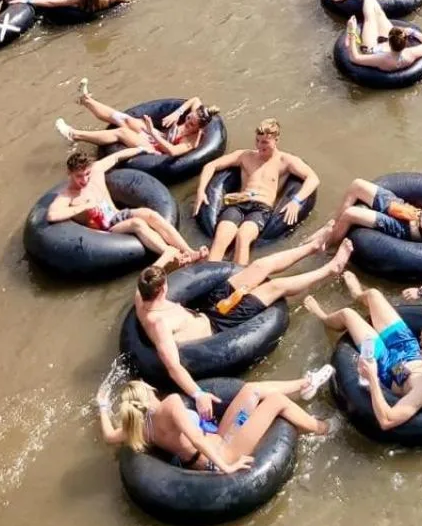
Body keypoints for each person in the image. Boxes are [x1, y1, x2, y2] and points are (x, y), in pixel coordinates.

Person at [133, 236, 351, 413]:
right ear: (162, 290)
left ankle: (312, 246)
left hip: (207, 308)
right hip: (218, 326)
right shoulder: (158, 323)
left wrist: (165, 256)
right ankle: (331, 269)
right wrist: (198, 394)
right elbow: (173, 366)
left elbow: (150, 274)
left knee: (259, 266)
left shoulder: (140, 297)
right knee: (275, 287)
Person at [305, 272, 422, 431]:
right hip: (406, 348)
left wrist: (373, 378)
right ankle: (357, 294)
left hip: (389, 366)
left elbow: (386, 421)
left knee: (347, 314)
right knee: (374, 295)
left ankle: (323, 317)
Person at [96, 369, 331, 473]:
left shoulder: (140, 426)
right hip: (223, 451)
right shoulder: (171, 405)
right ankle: (325, 429)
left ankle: (305, 384)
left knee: (252, 390)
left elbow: (109, 436)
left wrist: (103, 406)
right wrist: (227, 466)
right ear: (148, 388)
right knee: (276, 401)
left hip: (217, 440)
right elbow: (197, 438)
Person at [324, 175, 422, 300]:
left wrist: (421, 291)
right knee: (357, 184)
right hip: (409, 211)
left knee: (351, 214)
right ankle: (334, 227)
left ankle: (328, 246)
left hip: (402, 228)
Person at [45, 149, 202, 269]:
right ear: (69, 174)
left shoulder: (96, 171)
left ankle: (188, 251)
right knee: (137, 223)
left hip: (117, 215)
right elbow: (52, 215)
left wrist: (141, 149)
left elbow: (116, 156)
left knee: (149, 214)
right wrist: (84, 206)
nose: (85, 180)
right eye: (79, 176)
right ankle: (169, 253)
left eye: (87, 174)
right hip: (106, 230)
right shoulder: (67, 196)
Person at [193, 119, 320, 265]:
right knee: (222, 235)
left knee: (243, 236)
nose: (260, 146)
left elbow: (313, 178)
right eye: (258, 141)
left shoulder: (285, 161)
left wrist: (296, 201)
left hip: (261, 209)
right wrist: (201, 191)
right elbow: (211, 166)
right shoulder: (245, 156)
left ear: (276, 139)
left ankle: (236, 282)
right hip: (238, 203)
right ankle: (208, 278)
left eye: (265, 142)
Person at [55, 80, 217, 157]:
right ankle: (86, 100)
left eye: (191, 124)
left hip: (157, 151)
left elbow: (173, 151)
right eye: (189, 118)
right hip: (160, 136)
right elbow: (196, 100)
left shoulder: (191, 141)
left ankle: (74, 135)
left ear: (198, 128)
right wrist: (179, 112)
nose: (188, 122)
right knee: (126, 120)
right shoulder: (197, 115)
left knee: (122, 132)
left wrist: (152, 133)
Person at [340, 0, 422, 75]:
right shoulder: (410, 54)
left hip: (372, 48)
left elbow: (354, 58)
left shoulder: (381, 59)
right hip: (390, 50)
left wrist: (351, 31)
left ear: (389, 42)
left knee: (370, 18)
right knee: (380, 14)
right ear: (405, 43)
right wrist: (413, 32)